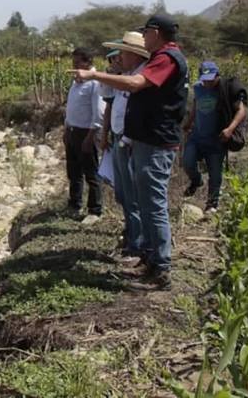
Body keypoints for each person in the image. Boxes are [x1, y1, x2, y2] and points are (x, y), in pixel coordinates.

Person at [70, 15, 189, 290]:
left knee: (154, 204)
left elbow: (136, 84)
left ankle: (161, 269)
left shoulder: (167, 58)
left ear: (155, 32)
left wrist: (95, 74)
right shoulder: (163, 57)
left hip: (156, 142)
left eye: (146, 32)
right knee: (145, 202)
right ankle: (150, 258)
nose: (144, 37)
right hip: (146, 140)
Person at [100, 31, 150, 260]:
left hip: (129, 141)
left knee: (133, 194)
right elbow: (111, 103)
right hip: (119, 138)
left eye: (122, 53)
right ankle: (132, 235)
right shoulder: (126, 75)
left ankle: (138, 244)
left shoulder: (139, 79)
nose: (118, 58)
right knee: (123, 193)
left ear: (134, 54)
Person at [183, 60, 248, 213]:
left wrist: (230, 129)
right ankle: (196, 180)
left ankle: (212, 204)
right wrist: (188, 123)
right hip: (197, 136)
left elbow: (242, 111)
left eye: (210, 79)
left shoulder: (225, 89)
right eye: (204, 80)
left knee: (215, 172)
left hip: (216, 138)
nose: (207, 83)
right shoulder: (198, 88)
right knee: (187, 162)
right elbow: (196, 106)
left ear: (217, 76)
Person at [64, 48, 105, 218]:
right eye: (73, 62)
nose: (75, 66)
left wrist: (90, 136)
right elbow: (71, 107)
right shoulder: (77, 82)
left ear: (88, 63)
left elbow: (99, 112)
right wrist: (67, 129)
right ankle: (74, 205)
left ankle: (95, 211)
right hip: (73, 130)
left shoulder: (95, 83)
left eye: (78, 63)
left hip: (87, 133)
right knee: (74, 172)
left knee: (91, 173)